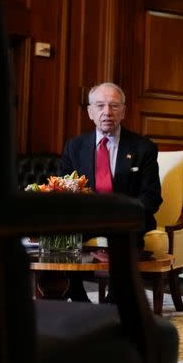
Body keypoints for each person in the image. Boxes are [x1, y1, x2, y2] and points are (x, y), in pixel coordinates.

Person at [60, 82, 162, 301]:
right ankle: (77, 296)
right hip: (87, 218)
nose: (107, 112)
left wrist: (120, 213)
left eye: (114, 106)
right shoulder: (74, 147)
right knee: (62, 231)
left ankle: (114, 301)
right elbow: (64, 192)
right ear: (90, 111)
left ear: (123, 111)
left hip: (126, 219)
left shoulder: (143, 148)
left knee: (126, 231)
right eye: (100, 105)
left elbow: (151, 197)